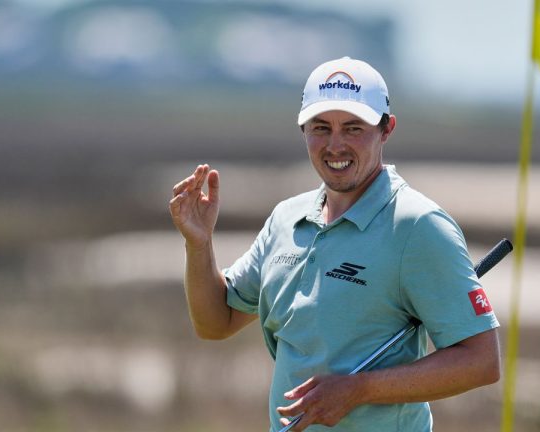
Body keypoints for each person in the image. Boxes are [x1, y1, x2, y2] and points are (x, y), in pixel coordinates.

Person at [169, 56, 501, 431]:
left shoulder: (418, 226)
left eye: (354, 128)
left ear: (386, 129)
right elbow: (217, 323)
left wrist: (358, 389)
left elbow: (480, 361)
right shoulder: (286, 219)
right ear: (303, 130)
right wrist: (199, 245)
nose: (335, 145)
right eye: (321, 127)